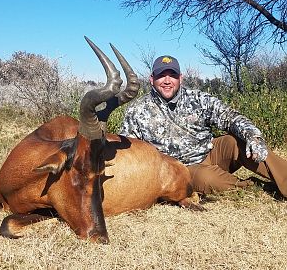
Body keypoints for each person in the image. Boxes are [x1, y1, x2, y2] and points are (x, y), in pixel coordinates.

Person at [120, 55, 287, 197]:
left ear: (180, 78)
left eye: (172, 75)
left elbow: (229, 116)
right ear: (151, 79)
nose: (167, 81)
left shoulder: (198, 98)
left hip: (210, 152)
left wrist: (253, 135)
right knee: (209, 180)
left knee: (237, 142)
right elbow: (129, 151)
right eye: (161, 75)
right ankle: (254, 187)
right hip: (180, 169)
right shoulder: (137, 110)